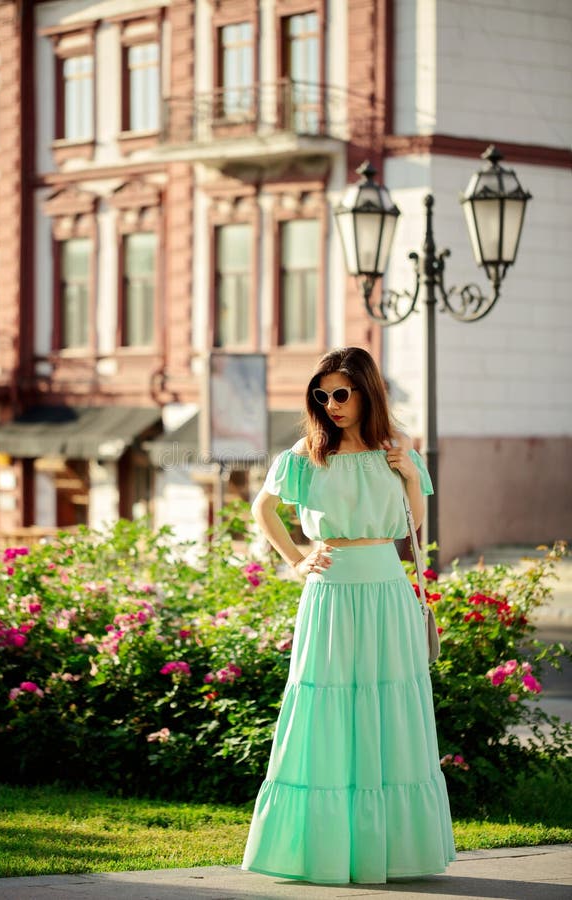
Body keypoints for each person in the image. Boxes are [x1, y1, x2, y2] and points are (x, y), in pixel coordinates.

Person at [241, 346, 456, 885]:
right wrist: (297, 559)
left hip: (385, 583)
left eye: (341, 393)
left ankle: (393, 852)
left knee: (390, 708)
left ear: (366, 392)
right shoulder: (307, 452)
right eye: (322, 395)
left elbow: (416, 520)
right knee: (327, 705)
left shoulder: (396, 447)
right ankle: (324, 850)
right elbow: (262, 509)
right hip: (331, 587)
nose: (331, 404)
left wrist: (408, 472)